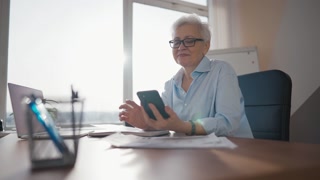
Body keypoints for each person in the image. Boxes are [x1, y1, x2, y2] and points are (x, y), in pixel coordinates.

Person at [119, 14, 253, 138]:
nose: (181, 47)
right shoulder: (170, 85)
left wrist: (184, 126)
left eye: (189, 41)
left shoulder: (222, 71)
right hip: (191, 154)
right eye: (176, 42)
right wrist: (146, 123)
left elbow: (228, 124)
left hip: (235, 152)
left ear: (206, 46)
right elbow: (165, 123)